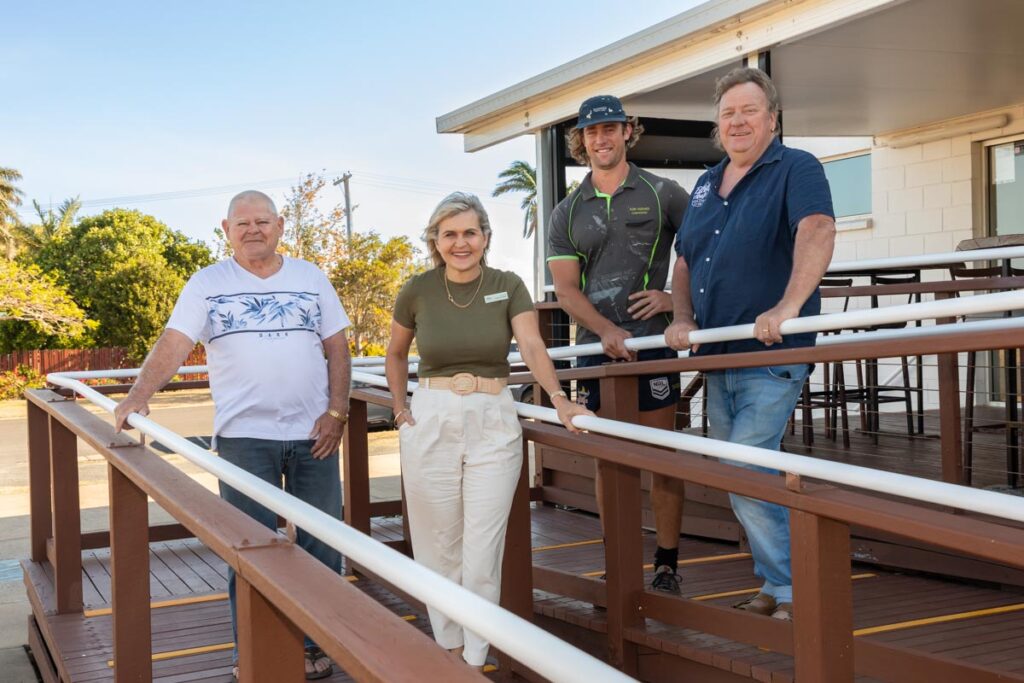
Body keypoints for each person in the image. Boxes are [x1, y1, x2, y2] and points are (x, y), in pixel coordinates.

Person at [113, 190, 351, 679]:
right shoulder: (207, 283)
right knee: (249, 549)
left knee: (322, 544)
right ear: (226, 229)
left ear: (280, 225)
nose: (253, 230)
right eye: (242, 223)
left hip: (315, 435)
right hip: (244, 439)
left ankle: (317, 643)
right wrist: (138, 394)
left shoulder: (310, 277)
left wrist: (338, 412)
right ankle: (255, 651)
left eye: (262, 221)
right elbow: (175, 342)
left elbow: (338, 348)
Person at [385, 192, 591, 669]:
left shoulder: (507, 284)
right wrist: (400, 410)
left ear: (485, 238)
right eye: (450, 233)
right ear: (435, 240)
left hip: (492, 417)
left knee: (483, 547)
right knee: (437, 546)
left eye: (470, 233)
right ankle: (448, 649)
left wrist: (560, 400)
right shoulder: (418, 289)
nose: (461, 243)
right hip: (430, 415)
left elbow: (534, 346)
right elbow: (396, 354)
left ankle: (474, 659)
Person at [665, 67, 836, 621]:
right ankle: (777, 583)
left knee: (745, 470)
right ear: (718, 126)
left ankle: (793, 589)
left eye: (748, 111)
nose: (737, 121)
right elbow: (686, 258)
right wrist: (683, 316)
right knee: (740, 468)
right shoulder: (705, 182)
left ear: (772, 119)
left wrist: (788, 307)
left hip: (771, 355)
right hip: (719, 356)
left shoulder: (796, 167)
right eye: (727, 114)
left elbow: (816, 230)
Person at [547, 94, 690, 593]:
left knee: (662, 457)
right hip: (595, 354)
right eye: (591, 132)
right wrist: (605, 331)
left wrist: (674, 299)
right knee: (609, 460)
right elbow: (565, 289)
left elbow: (704, 250)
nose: (601, 139)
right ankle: (619, 558)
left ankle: (667, 563)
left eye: (610, 128)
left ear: (628, 131)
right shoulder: (567, 211)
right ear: (580, 141)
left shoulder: (663, 192)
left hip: (653, 347)